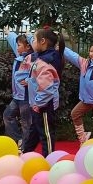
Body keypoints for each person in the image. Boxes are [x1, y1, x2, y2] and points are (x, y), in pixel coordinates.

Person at [21, 28, 64, 156]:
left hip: (44, 104)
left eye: (34, 39)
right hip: (37, 103)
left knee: (46, 133)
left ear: (43, 41)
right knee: (34, 131)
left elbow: (47, 88)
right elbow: (39, 79)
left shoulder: (46, 61)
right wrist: (30, 81)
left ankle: (49, 159)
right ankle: (26, 153)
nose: (32, 42)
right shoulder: (43, 58)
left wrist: (38, 104)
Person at [2, 27, 33, 149]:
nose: (17, 47)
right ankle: (19, 139)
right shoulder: (20, 55)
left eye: (19, 45)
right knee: (7, 115)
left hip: (26, 96)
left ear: (28, 47)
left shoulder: (33, 58)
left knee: (26, 123)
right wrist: (9, 33)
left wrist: (30, 81)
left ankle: (25, 146)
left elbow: (41, 74)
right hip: (17, 96)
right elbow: (15, 42)